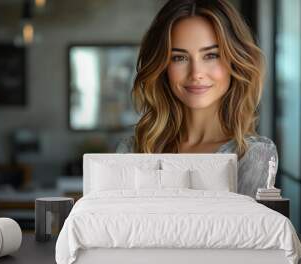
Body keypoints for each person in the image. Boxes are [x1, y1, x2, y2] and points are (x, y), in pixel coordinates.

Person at [116, 0, 278, 198]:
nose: (196, 73)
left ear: (235, 61)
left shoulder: (253, 154)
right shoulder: (133, 150)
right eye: (179, 57)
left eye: (211, 55)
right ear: (163, 67)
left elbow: (246, 229)